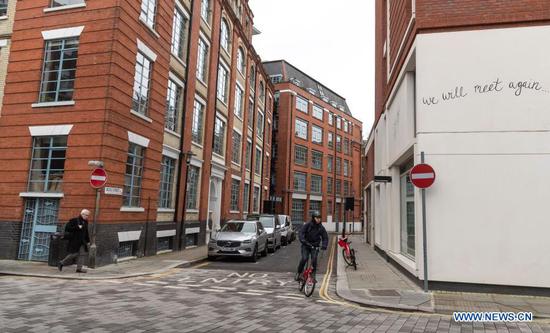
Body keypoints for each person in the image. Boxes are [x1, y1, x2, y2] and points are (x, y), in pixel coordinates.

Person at [295, 211, 328, 283]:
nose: (319, 219)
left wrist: (324, 245)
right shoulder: (308, 225)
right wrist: (303, 240)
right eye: (317, 218)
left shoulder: (321, 228)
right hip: (306, 245)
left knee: (314, 260)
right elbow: (301, 233)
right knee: (304, 258)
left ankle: (313, 275)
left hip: (315, 246)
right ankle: (299, 273)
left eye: (320, 218)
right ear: (313, 218)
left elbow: (325, 237)